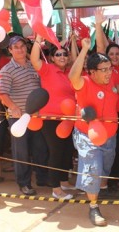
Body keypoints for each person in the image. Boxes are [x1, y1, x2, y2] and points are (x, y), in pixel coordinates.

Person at [68, 38, 118, 227]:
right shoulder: (85, 83)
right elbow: (73, 76)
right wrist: (84, 49)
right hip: (87, 136)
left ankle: (95, 190)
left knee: (104, 169)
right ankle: (93, 206)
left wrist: (98, 25)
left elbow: (102, 50)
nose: (108, 73)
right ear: (92, 72)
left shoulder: (109, 79)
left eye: (109, 68)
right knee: (93, 168)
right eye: (104, 70)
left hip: (110, 137)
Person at [0, 35, 48, 196]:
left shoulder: (34, 66)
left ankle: (42, 178)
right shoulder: (7, 70)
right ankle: (24, 183)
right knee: (21, 152)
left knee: (41, 148)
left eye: (22, 46)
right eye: (16, 47)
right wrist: (13, 107)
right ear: (10, 50)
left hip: (36, 116)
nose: (20, 49)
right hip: (18, 118)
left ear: (27, 48)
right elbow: (2, 94)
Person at [30, 34, 77, 200]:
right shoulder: (47, 69)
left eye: (64, 54)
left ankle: (64, 181)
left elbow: (76, 59)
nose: (62, 57)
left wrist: (72, 41)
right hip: (51, 119)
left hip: (68, 119)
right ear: (51, 57)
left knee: (66, 152)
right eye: (58, 54)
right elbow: (34, 59)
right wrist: (37, 39)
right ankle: (56, 189)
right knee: (56, 152)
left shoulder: (70, 73)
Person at [95, 8, 119, 195]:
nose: (115, 57)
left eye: (118, 54)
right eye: (112, 54)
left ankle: (116, 176)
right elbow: (118, 89)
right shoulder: (107, 70)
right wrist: (98, 25)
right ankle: (110, 181)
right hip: (113, 115)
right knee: (112, 150)